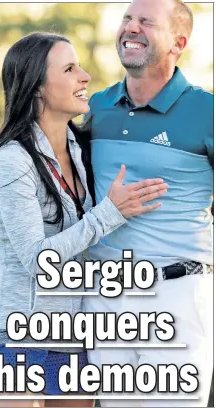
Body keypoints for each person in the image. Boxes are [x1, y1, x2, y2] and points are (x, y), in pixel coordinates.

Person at [0, 32, 168, 408]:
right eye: (69, 68)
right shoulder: (14, 160)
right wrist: (109, 214)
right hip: (14, 333)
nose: (85, 76)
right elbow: (38, 261)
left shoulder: (82, 150)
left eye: (79, 65)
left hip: (70, 333)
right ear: (37, 89)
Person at [84, 0, 213, 406]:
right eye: (126, 18)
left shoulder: (206, 111)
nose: (131, 27)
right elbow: (46, 159)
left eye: (145, 21)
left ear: (179, 41)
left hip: (175, 293)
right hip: (103, 296)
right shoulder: (95, 107)